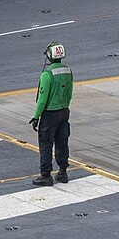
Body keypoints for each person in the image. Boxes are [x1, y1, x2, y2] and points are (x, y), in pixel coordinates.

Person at [30, 42, 73, 186]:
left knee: (46, 143)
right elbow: (69, 93)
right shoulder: (68, 71)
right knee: (62, 142)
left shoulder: (47, 75)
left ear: (49, 55)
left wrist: (36, 117)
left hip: (50, 115)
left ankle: (46, 175)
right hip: (64, 111)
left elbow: (42, 100)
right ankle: (62, 172)